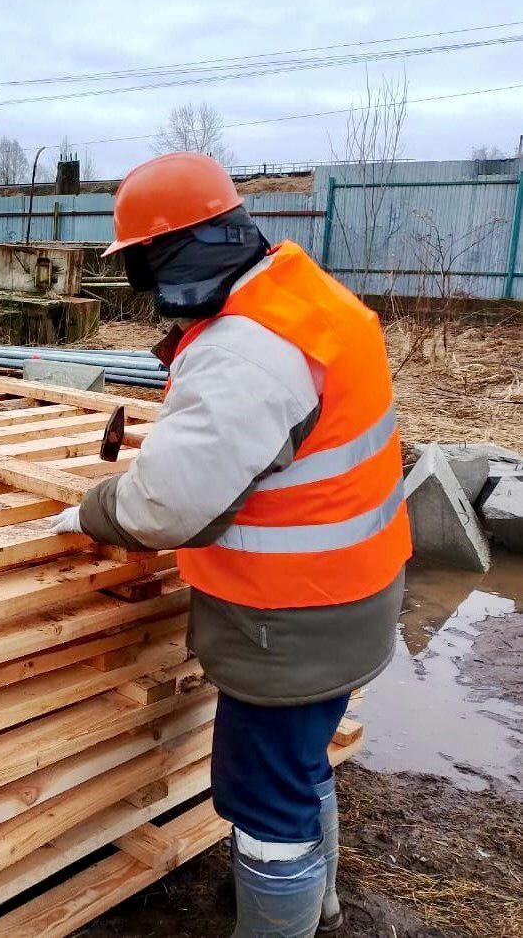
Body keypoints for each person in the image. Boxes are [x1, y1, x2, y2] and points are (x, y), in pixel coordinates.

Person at [50, 153, 410, 937]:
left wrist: (89, 511)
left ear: (175, 252)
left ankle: (280, 914)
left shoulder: (249, 349)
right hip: (353, 594)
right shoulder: (299, 295)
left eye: (144, 266)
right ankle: (318, 906)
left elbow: (168, 505)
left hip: (291, 622)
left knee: (263, 796)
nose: (147, 293)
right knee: (301, 762)